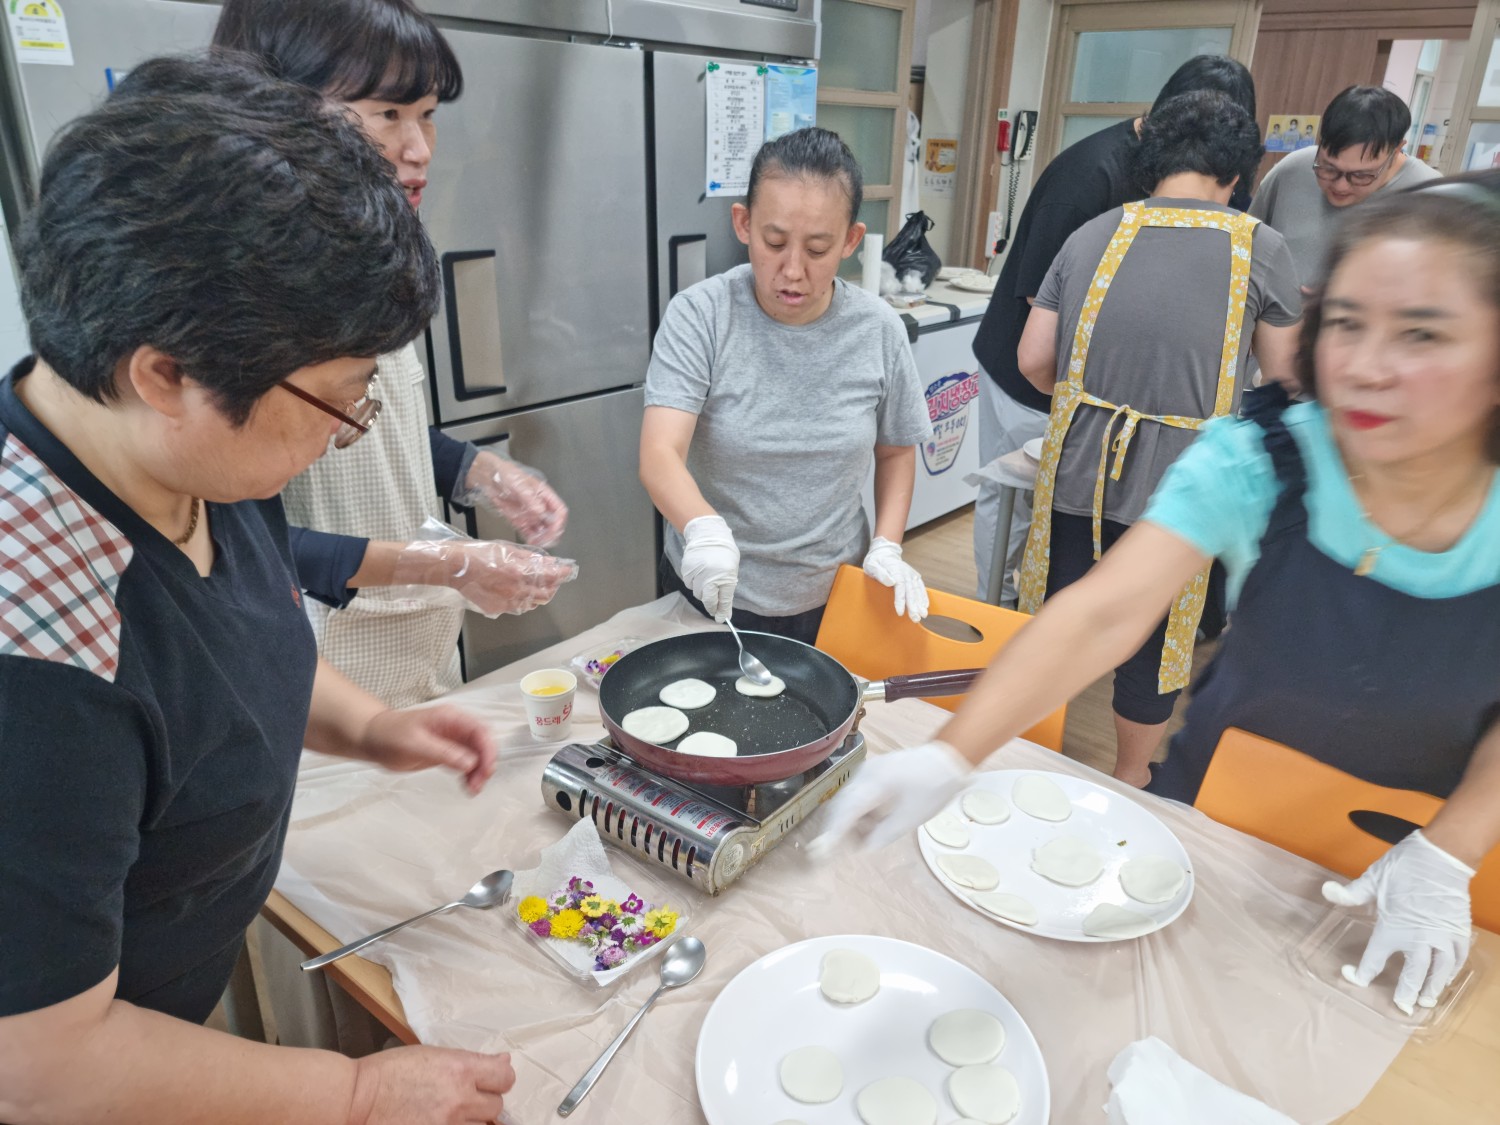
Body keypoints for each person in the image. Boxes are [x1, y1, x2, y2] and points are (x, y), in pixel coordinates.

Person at [819, 187, 1500, 1018]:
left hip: (1419, 875)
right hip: (1214, 833)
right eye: (1349, 323)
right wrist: (950, 753)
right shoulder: (1262, 458)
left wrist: (1448, 855)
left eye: (1422, 334)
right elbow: (1102, 614)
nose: (1366, 365)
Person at [0, 57, 517, 1122]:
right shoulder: (37, 663)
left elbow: (235, 635)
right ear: (165, 374)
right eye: (340, 400)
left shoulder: (179, 454)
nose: (345, 428)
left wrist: (373, 728)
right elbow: (41, 1067)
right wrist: (356, 1092)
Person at [213, 0, 576, 710]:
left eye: (428, 115)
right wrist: (444, 564)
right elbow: (239, 545)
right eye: (388, 114)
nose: (420, 149)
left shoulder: (372, 252)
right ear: (282, 109)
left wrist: (476, 471)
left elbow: (377, 426)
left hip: (419, 657)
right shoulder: (245, 301)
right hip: (321, 684)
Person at [1014, 90, 1302, 785]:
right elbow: (1286, 377)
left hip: (1077, 469)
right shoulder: (1259, 247)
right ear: (1236, 171)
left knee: (1059, 617)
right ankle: (1132, 776)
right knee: (1154, 636)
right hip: (1182, 487)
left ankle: (1027, 756)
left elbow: (1033, 360)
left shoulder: (1092, 234)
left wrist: (1096, 399)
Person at [969, 55, 1257, 608]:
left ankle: (1052, 611)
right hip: (1026, 374)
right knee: (1015, 501)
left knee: (1076, 510)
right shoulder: (1088, 176)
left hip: (1101, 386)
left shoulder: (1215, 184)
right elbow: (1040, 302)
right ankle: (996, 606)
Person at [639, 127, 933, 643]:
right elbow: (660, 452)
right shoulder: (702, 316)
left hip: (835, 593)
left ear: (851, 241)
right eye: (774, 242)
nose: (792, 270)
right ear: (743, 223)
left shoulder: (878, 329)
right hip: (711, 586)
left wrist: (887, 546)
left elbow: (895, 452)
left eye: (818, 249)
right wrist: (704, 530)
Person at [1251, 86, 1440, 287]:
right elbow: (1246, 245)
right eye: (1329, 168)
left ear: (1397, 150)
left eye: (1361, 175)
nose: (1340, 186)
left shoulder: (1431, 197)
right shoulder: (1292, 170)